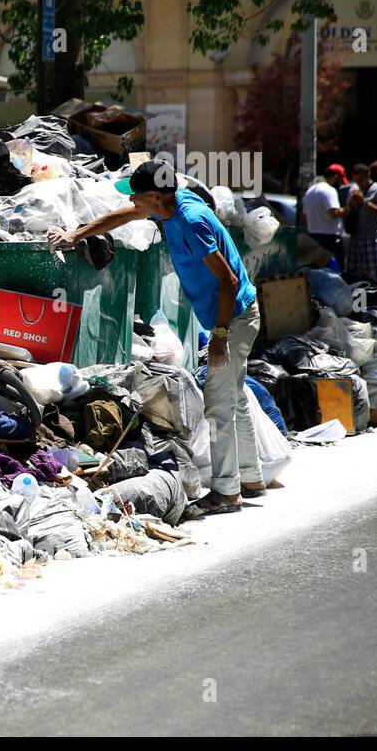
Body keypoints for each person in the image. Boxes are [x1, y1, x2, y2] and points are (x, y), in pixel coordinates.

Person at [48, 160, 263, 515]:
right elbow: (122, 217)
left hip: (234, 318)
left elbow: (229, 281)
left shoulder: (192, 222)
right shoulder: (170, 208)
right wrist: (76, 235)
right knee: (234, 396)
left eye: (137, 197)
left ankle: (227, 492)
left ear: (154, 196)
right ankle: (251, 478)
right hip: (233, 315)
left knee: (218, 404)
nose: (133, 203)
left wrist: (220, 338)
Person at [345, 160, 377, 290]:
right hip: (356, 239)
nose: (358, 183)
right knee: (354, 278)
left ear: (367, 175)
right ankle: (359, 307)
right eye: (356, 180)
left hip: (371, 240)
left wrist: (364, 202)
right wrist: (351, 205)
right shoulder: (353, 189)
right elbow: (347, 212)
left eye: (360, 179)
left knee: (376, 277)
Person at [302, 164, 347, 268]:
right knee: (336, 271)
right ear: (336, 177)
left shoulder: (310, 191)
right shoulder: (329, 190)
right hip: (329, 239)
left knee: (317, 269)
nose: (340, 184)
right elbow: (334, 212)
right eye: (340, 181)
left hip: (313, 237)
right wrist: (347, 209)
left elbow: (304, 218)